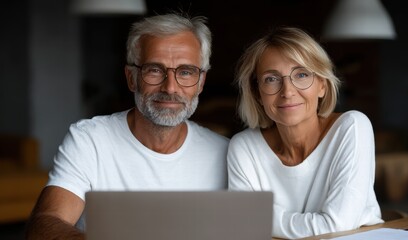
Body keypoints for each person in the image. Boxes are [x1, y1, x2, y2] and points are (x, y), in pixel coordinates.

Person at [25, 13, 229, 239]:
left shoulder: (226, 153)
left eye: (185, 72)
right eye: (154, 70)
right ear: (131, 78)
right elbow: (45, 224)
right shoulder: (90, 140)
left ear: (200, 82)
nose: (170, 87)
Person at [227, 27, 383, 239]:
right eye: (271, 79)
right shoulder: (244, 147)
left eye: (301, 75)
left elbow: (337, 227)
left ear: (322, 85)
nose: (288, 92)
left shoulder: (352, 127)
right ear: (257, 93)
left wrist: (261, 219)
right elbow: (242, 225)